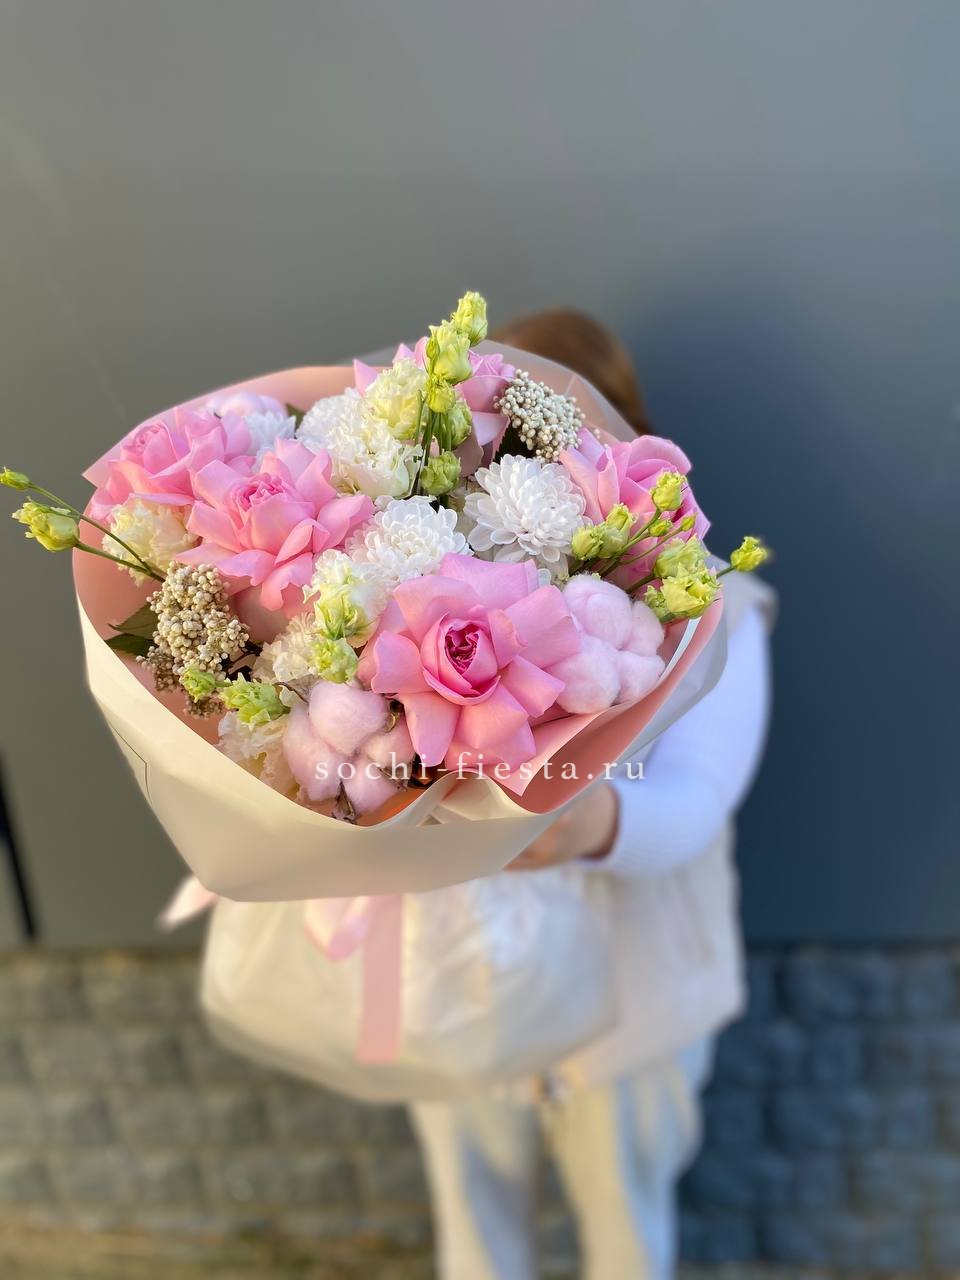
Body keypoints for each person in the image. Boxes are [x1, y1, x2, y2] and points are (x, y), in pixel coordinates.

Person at [409, 308, 775, 1280]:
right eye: (503, 435)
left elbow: (701, 796)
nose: (533, 460)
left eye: (561, 436)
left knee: (627, 1244)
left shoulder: (713, 605)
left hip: (632, 995)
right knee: (477, 1242)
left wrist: (593, 824)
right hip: (465, 978)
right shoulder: (428, 592)